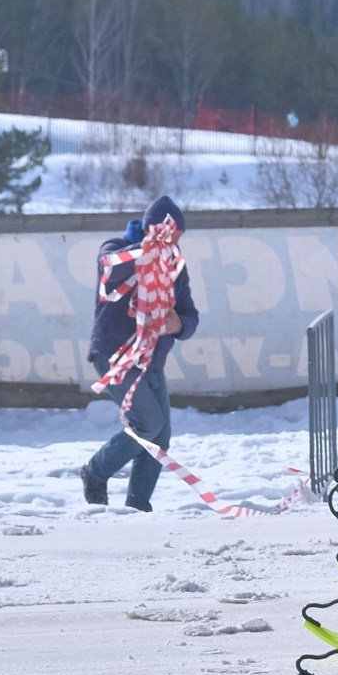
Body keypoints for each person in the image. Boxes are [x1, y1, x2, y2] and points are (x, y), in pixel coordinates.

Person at [79, 196, 199, 512]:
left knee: (159, 438)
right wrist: (147, 251)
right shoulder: (115, 250)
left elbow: (191, 317)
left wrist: (178, 325)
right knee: (147, 425)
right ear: (152, 230)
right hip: (114, 357)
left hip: (152, 363)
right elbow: (111, 267)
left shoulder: (175, 267)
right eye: (168, 236)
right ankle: (95, 471)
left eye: (177, 238)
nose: (172, 243)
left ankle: (137, 504)